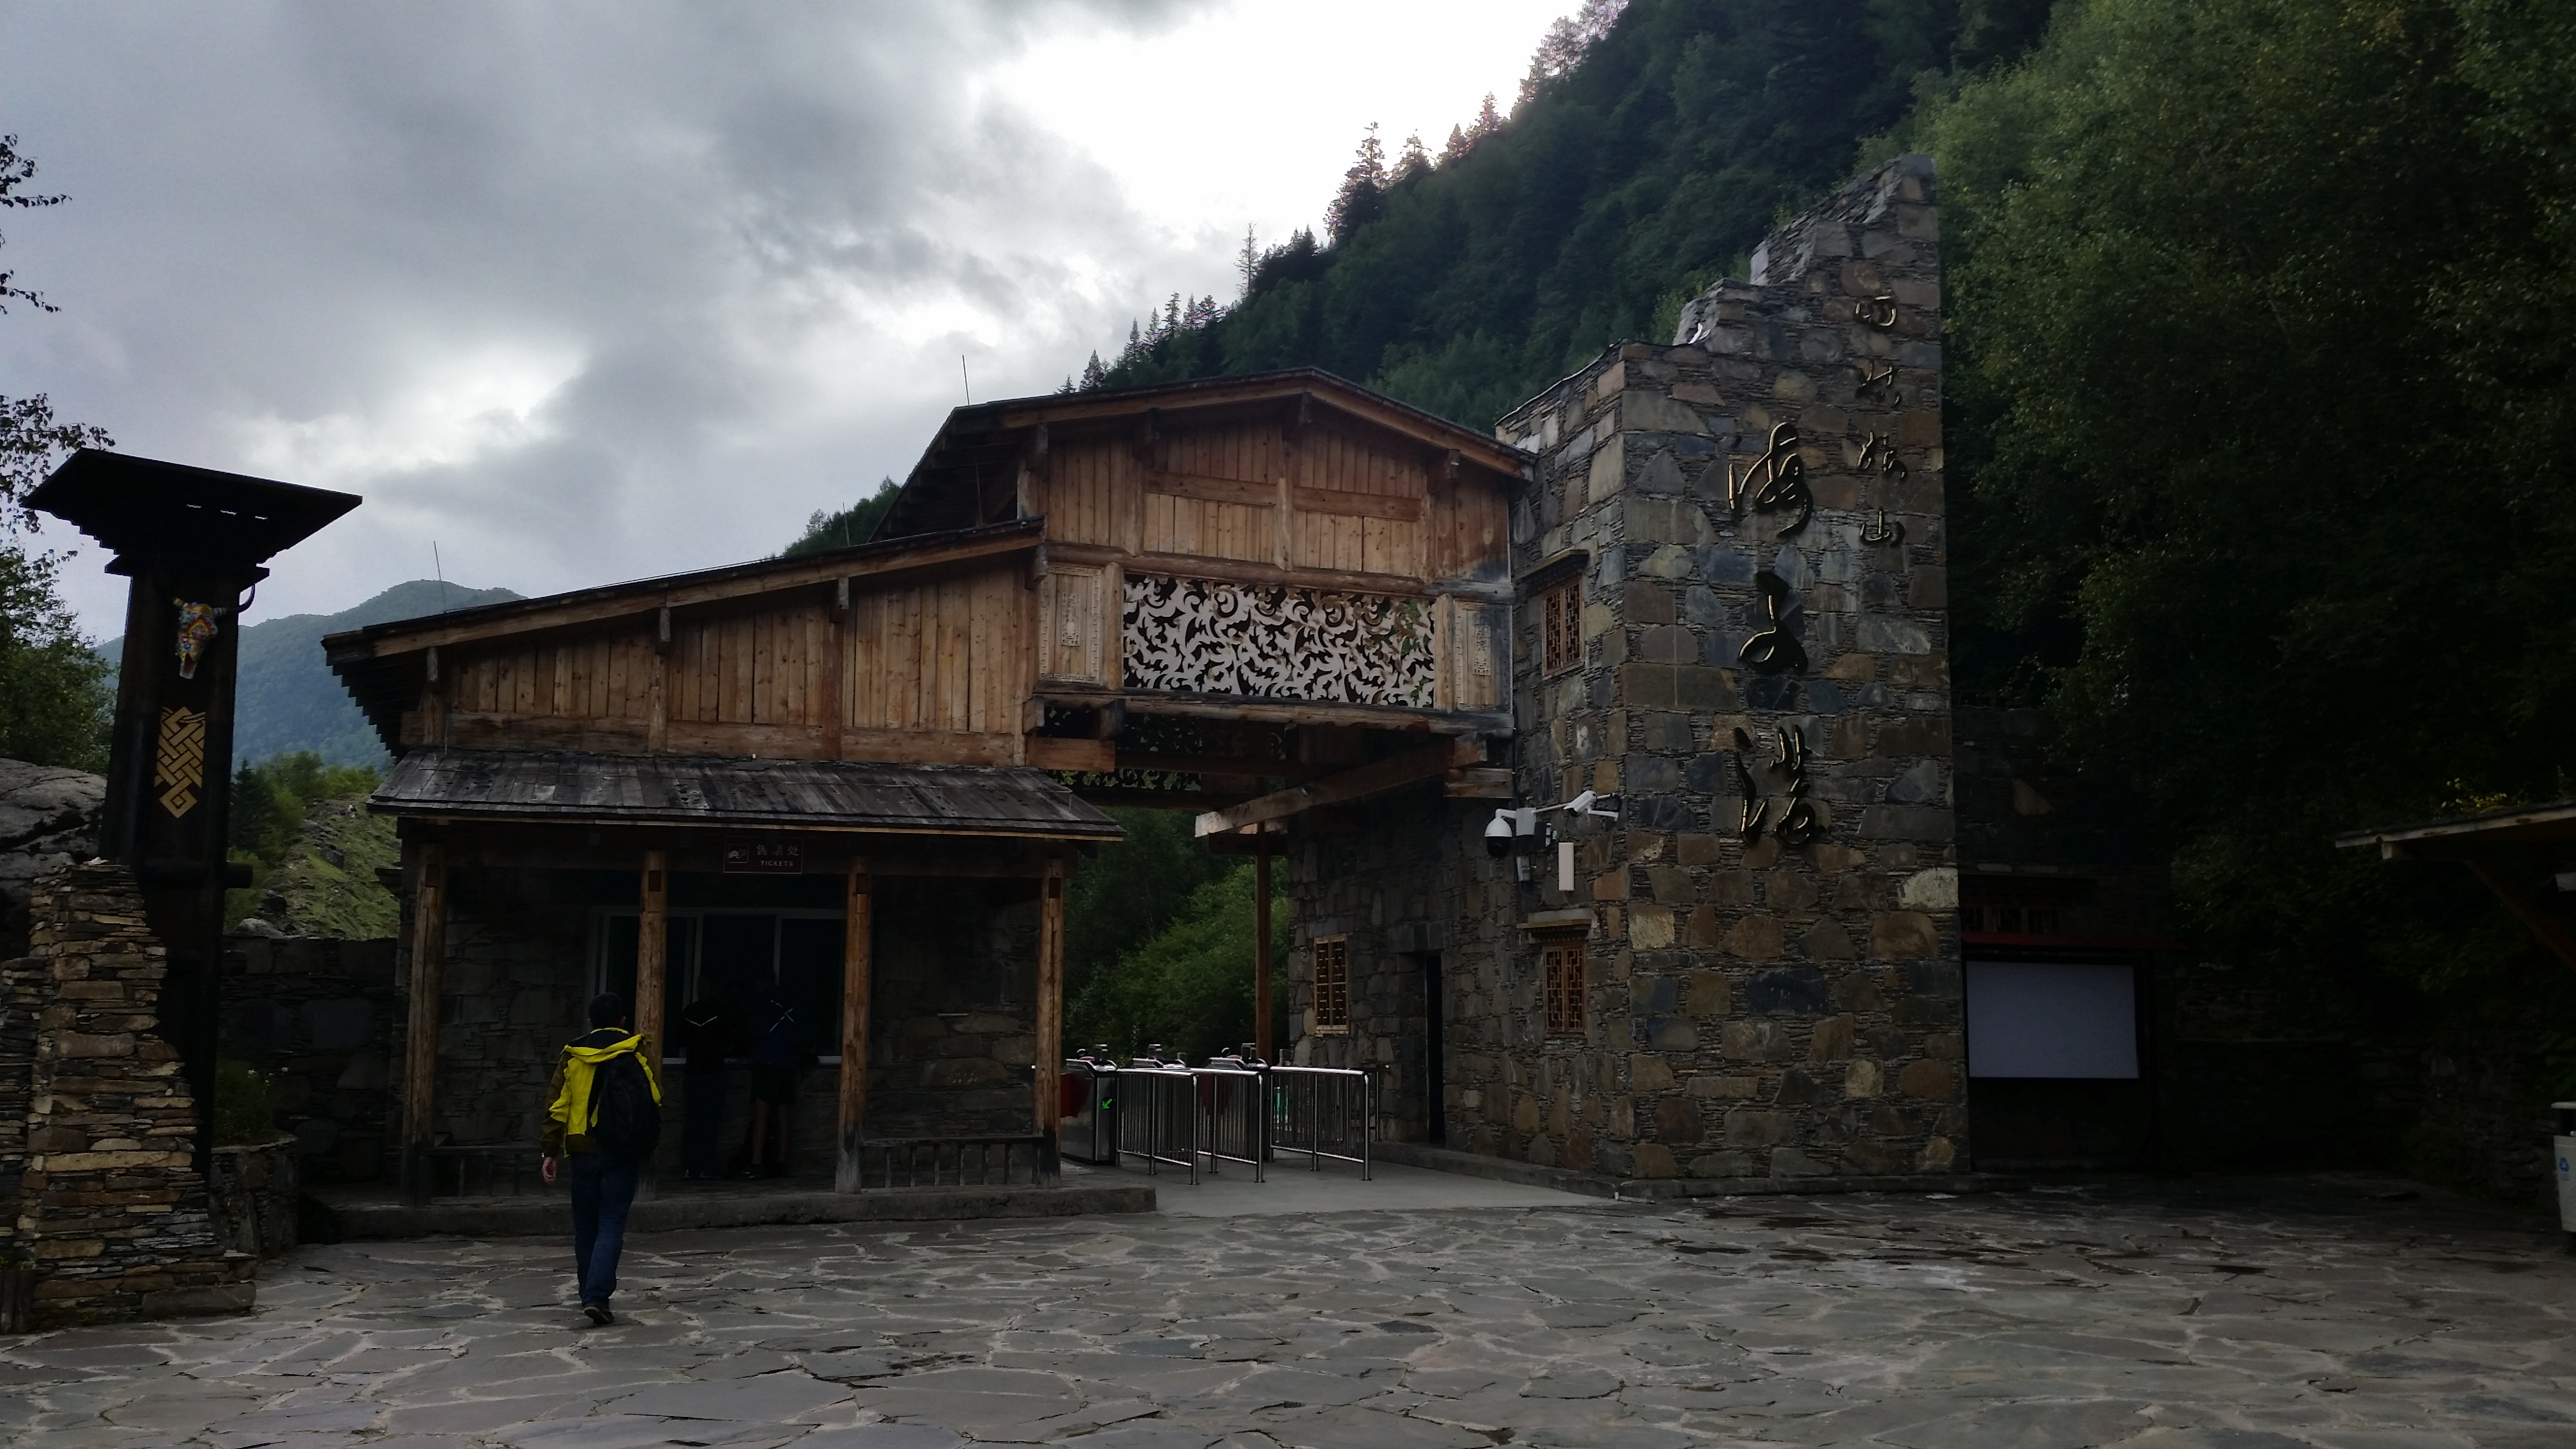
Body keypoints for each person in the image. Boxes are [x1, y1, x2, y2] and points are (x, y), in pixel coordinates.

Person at [540, 992, 662, 1325]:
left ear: (591, 1022)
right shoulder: (636, 1050)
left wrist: (549, 1150)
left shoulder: (573, 1055)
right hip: (622, 1150)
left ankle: (588, 1294)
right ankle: (597, 1297)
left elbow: (557, 1105)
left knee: (586, 1227)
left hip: (582, 1149)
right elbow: (654, 1097)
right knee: (611, 1222)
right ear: (624, 1021)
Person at [736, 989, 797, 1179]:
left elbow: (753, 1033)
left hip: (768, 1063)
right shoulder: (792, 1007)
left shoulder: (764, 1007)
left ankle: (756, 1163)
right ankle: (780, 1161)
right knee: (783, 1110)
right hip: (787, 1063)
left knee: (761, 1110)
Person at [676, 991, 732, 1181]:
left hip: (696, 1071)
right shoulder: (719, 1013)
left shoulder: (690, 1013)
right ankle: (703, 1167)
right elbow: (729, 1040)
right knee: (707, 1121)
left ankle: (690, 1167)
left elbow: (681, 1040)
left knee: (694, 1120)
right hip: (711, 1072)